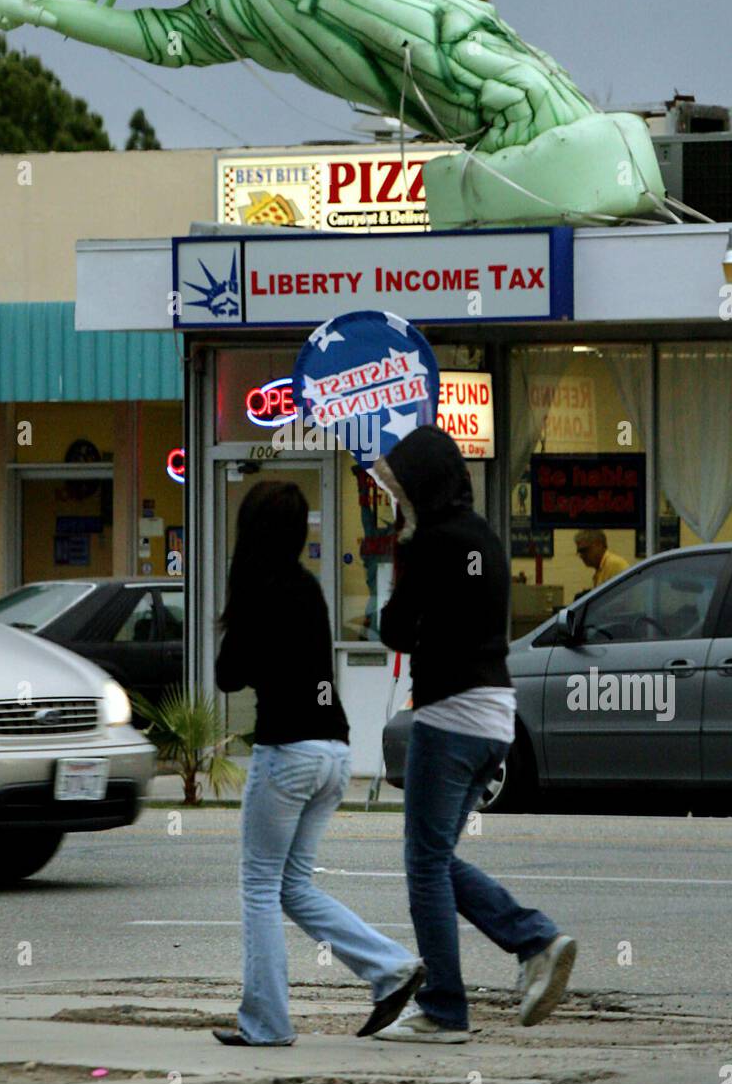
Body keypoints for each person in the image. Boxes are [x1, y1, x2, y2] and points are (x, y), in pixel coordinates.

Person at [372, 426, 577, 1042]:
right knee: (434, 858)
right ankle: (535, 940)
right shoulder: (483, 536)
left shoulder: (432, 542)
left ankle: (443, 1006)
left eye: (400, 491)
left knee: (422, 864)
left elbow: (396, 631)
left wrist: (401, 559)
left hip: (449, 717)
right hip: (495, 718)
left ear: (421, 489)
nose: (396, 501)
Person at [214, 479, 425, 1046]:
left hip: (286, 754)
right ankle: (390, 968)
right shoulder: (307, 587)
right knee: (294, 887)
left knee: (259, 886)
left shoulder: (257, 587)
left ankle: (267, 1023)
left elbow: (226, 675)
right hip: (334, 752)